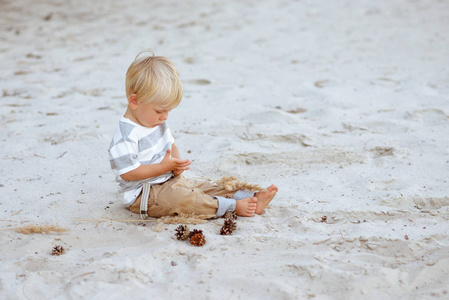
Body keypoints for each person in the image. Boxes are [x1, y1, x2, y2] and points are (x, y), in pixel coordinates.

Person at [108, 49, 277, 220]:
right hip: (145, 193)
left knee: (203, 187)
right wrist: (162, 168)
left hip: (169, 180)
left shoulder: (154, 120)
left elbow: (170, 146)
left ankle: (249, 197)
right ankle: (230, 207)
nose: (165, 116)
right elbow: (128, 172)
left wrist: (175, 163)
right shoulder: (126, 135)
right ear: (135, 101)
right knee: (185, 200)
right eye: (160, 110)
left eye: (168, 111)